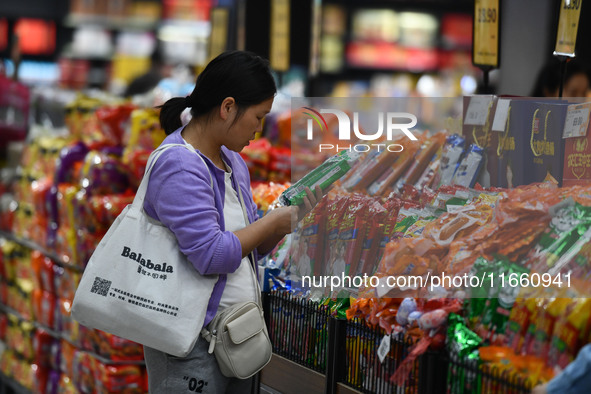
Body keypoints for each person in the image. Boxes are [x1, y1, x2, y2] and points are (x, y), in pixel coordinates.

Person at [141, 50, 322, 393]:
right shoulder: (179, 164)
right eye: (257, 117)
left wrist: (289, 219)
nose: (259, 128)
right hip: (190, 344)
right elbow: (212, 256)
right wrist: (270, 224)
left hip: (237, 336)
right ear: (227, 108)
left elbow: (246, 250)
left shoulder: (233, 162)